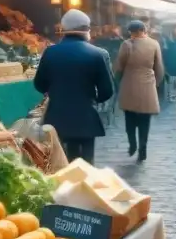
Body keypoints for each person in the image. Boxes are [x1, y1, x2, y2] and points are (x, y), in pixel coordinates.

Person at [33, 9, 115, 164]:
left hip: (57, 118)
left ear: (63, 30)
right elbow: (107, 91)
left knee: (61, 163)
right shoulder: (98, 54)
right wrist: (93, 99)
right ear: (86, 30)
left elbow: (39, 84)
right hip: (86, 117)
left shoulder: (50, 53)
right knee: (86, 165)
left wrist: (54, 93)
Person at [114, 20, 165, 162]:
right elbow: (159, 66)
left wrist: (117, 80)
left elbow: (119, 66)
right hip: (148, 84)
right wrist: (156, 83)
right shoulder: (154, 44)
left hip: (129, 84)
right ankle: (143, 148)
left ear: (131, 31)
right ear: (144, 29)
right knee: (145, 121)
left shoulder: (126, 44)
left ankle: (132, 144)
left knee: (129, 119)